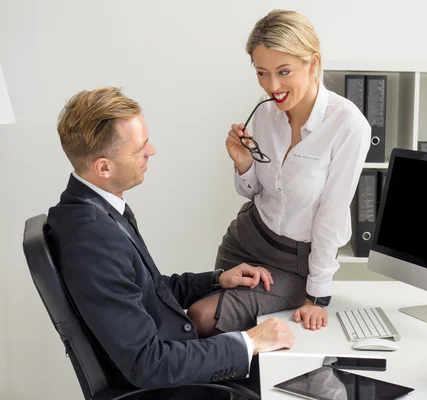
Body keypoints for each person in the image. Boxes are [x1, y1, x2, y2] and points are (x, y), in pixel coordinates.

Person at [46, 87, 295, 397]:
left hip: (177, 359)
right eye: (139, 148)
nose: (152, 151)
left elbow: (147, 291)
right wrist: (250, 341)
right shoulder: (92, 238)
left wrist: (218, 279)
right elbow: (149, 364)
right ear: (104, 167)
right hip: (169, 383)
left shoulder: (95, 208)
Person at [187, 9, 371, 336]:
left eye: (284, 71)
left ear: (312, 63)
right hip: (244, 241)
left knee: (202, 317)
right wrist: (244, 163)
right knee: (212, 334)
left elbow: (331, 215)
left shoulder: (347, 125)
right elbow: (253, 191)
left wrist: (317, 295)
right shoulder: (266, 112)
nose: (273, 86)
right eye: (262, 73)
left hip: (293, 265)